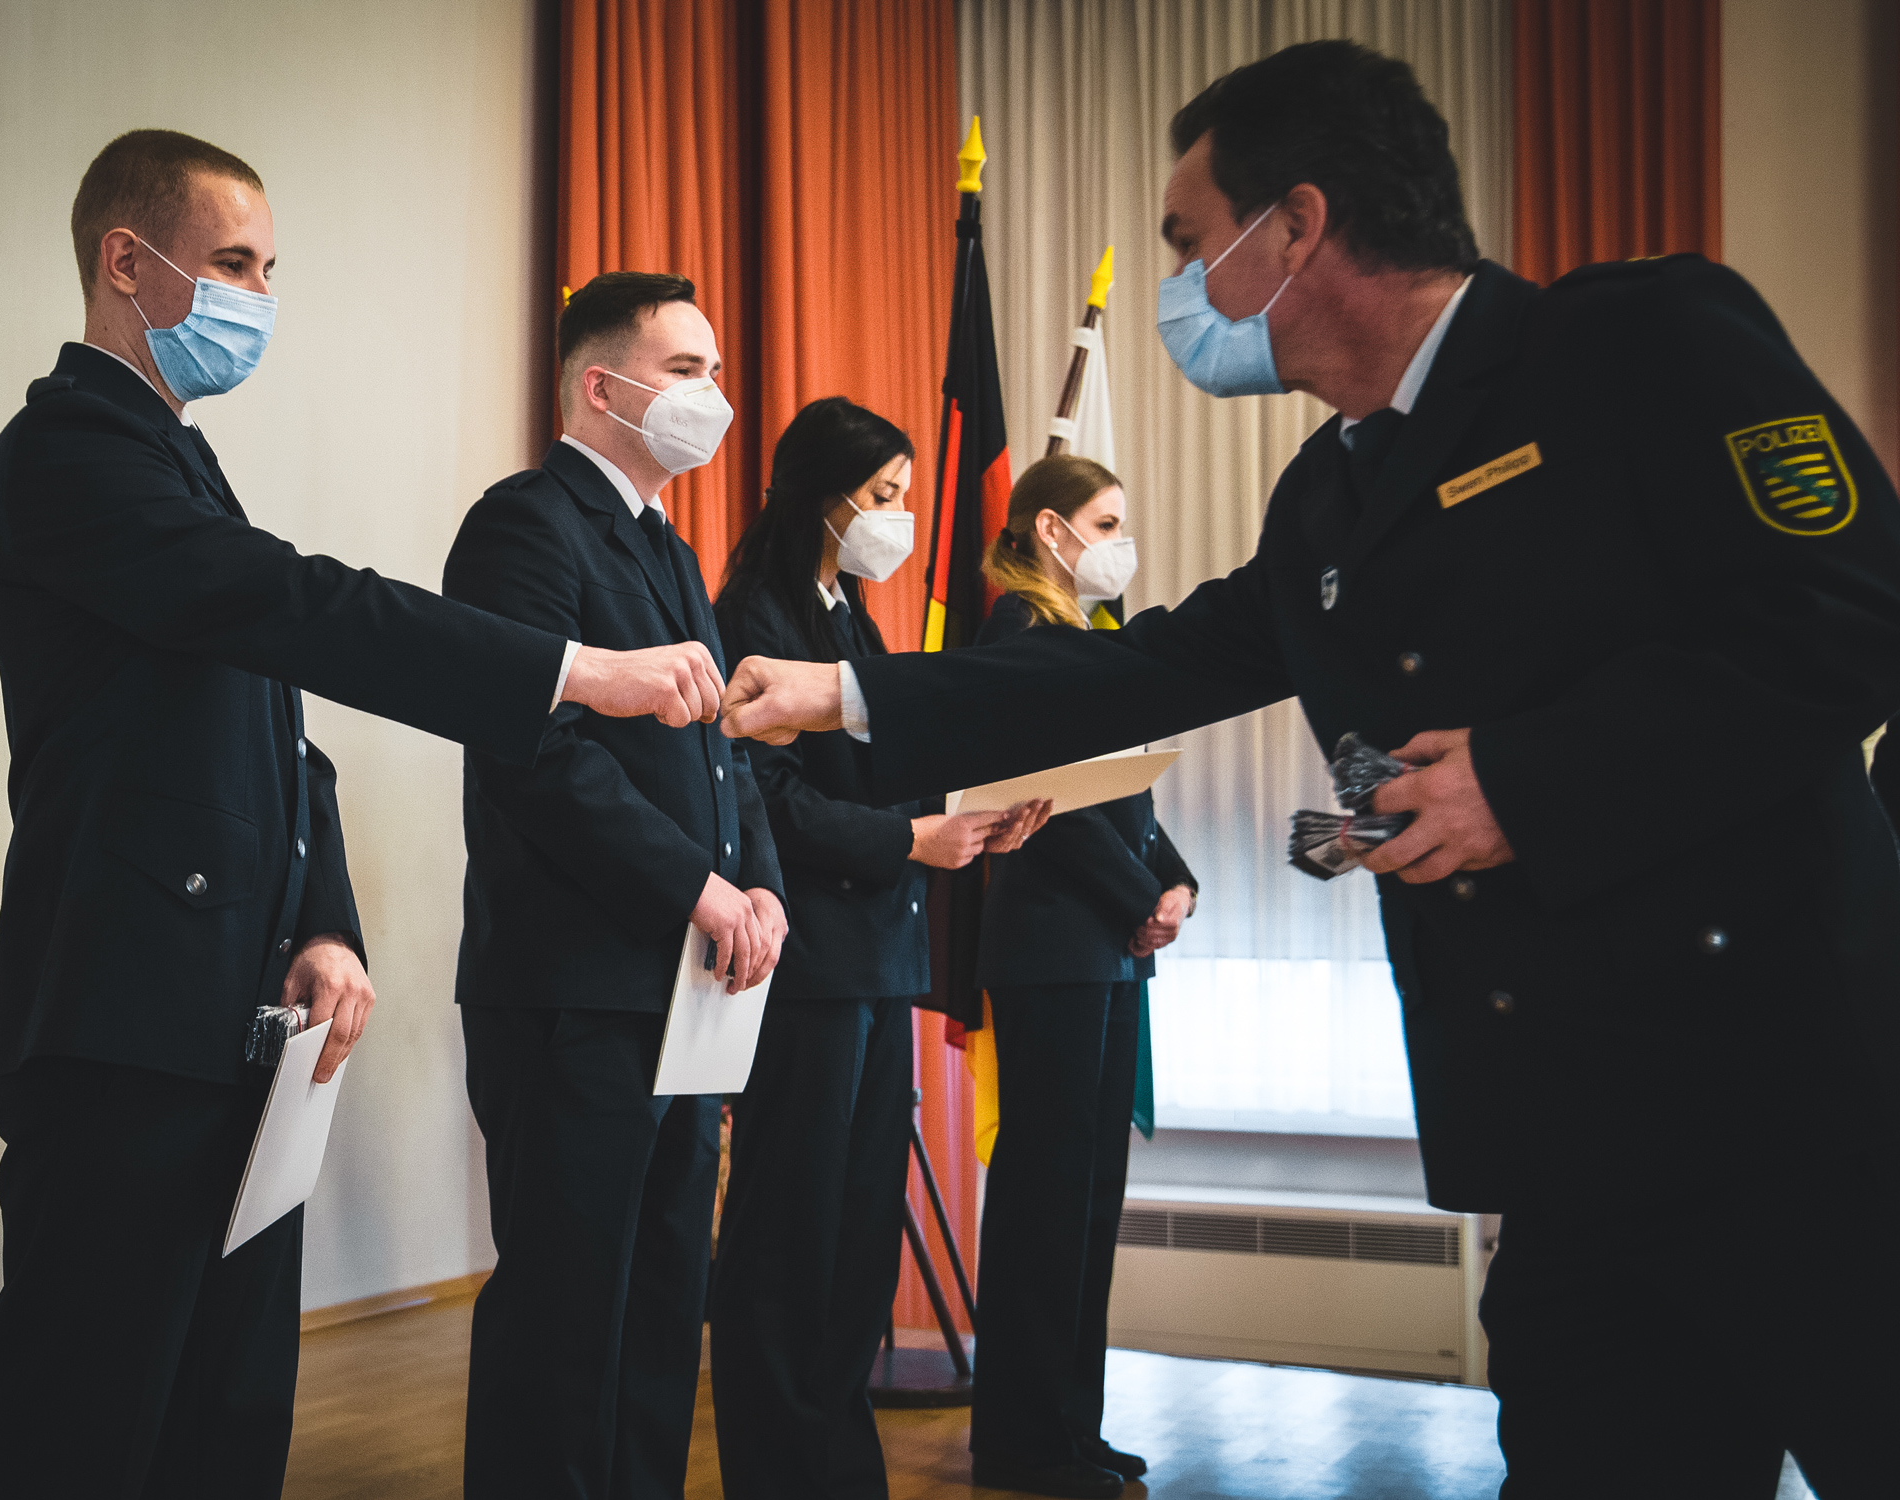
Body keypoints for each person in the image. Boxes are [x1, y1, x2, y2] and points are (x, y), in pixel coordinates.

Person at [719, 40, 1900, 1500]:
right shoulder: (1331, 488)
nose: (1180, 290)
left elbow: (1849, 609)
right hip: (1568, 1146)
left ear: (1297, 228)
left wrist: (1525, 784)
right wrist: (842, 689)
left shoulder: (1634, 341)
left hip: (1796, 1111)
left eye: (1187, 244)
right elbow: (1142, 664)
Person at [0, 130, 725, 1500]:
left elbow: (277, 736)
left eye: (270, 267)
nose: (260, 293)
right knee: (88, 1415)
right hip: (128, 1020)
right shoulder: (68, 455)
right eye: (234, 263)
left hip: (249, 1017)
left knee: (226, 1419)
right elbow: (295, 608)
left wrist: (327, 925)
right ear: (127, 264)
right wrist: (568, 668)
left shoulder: (180, 464)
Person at [440, 270, 788, 1500]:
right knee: (564, 1305)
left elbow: (715, 753)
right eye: (687, 373)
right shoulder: (522, 526)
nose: (716, 398)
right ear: (602, 386)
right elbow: (537, 752)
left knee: (656, 1304)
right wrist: (697, 890)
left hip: (683, 988)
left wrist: (761, 888)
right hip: (573, 988)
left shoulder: (670, 549)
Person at [708, 396, 1047, 1500]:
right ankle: (779, 1471)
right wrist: (911, 837)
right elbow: (769, 805)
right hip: (803, 966)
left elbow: (886, 764)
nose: (898, 520)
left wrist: (979, 808)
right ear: (826, 495)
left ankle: (836, 1468)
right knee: (786, 1241)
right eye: (887, 498)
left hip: (874, 961)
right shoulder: (754, 612)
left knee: (855, 1240)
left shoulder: (846, 614)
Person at [964, 456, 1197, 1500]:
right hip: (1053, 942)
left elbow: (1123, 797)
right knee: (1044, 1199)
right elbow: (1042, 798)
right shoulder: (1018, 630)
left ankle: (1072, 1425)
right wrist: (1133, 897)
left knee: (1088, 1196)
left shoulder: (1084, 634)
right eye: (1104, 522)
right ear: (1051, 532)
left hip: (1100, 944)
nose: (1119, 540)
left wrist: (1173, 878)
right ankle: (1021, 1442)